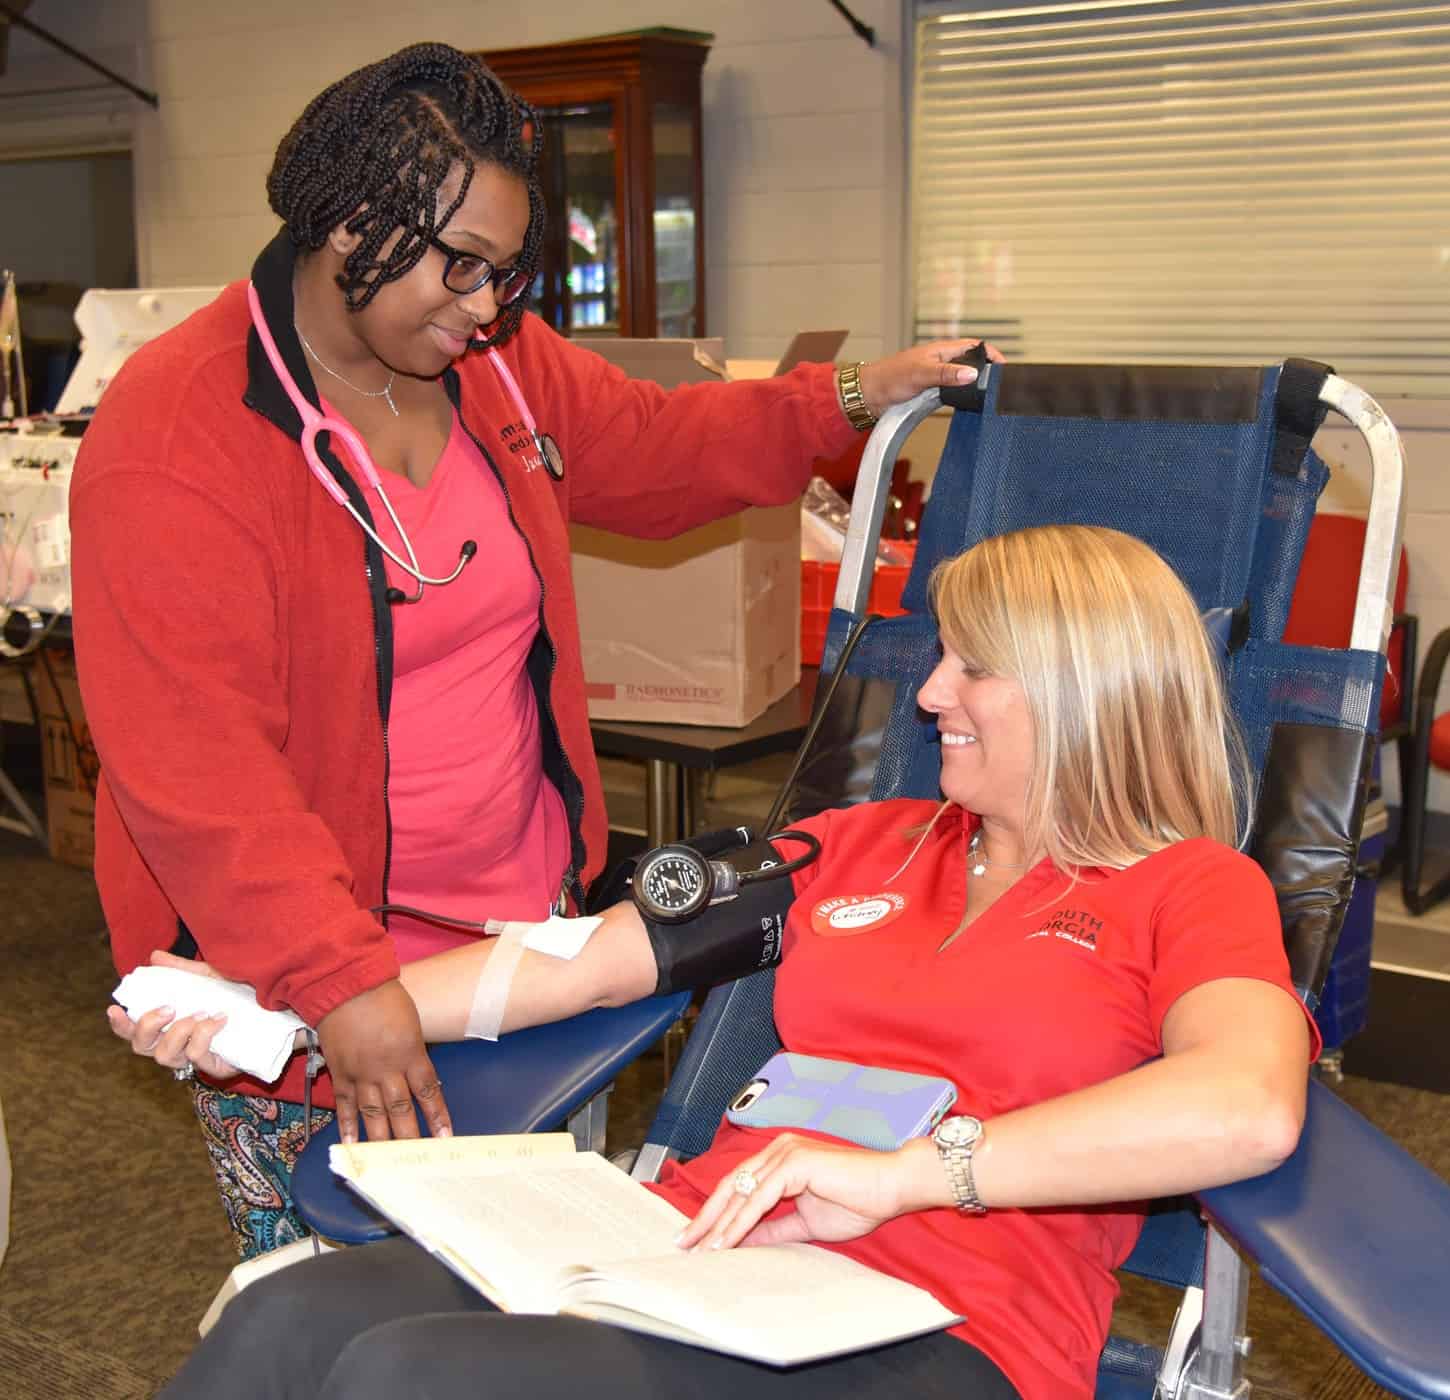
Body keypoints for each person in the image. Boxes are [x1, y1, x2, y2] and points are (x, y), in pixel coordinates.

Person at [79, 41, 989, 1259]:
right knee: (332, 1284)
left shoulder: (492, 363)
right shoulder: (179, 429)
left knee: (519, 1278)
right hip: (305, 955)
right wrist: (339, 982)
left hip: (515, 935)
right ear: (352, 227)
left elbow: (659, 446)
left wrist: (849, 397)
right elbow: (198, 765)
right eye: (462, 270)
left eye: (505, 276)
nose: (486, 307)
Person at [142, 524, 1318, 1400]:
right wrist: (287, 1010)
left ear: (1083, 689)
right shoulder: (863, 840)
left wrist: (908, 1174)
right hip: (693, 1244)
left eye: (969, 667)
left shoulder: (1191, 887)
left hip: (949, 1321)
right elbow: (578, 964)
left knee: (414, 1378)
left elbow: (1246, 1103)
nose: (926, 693)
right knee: (284, 1320)